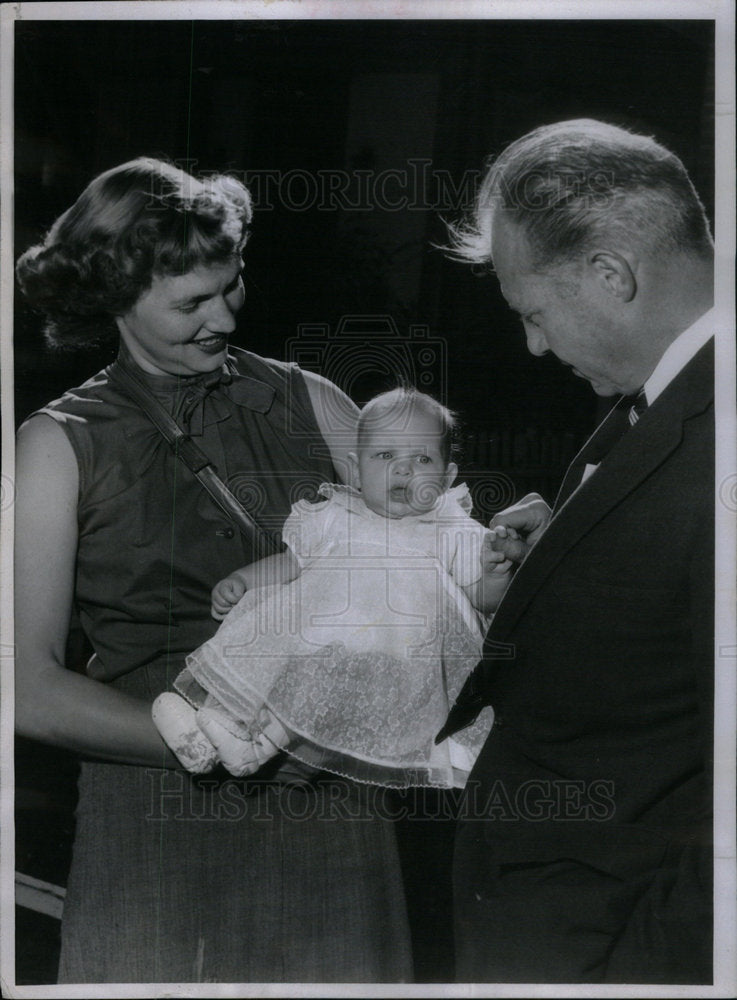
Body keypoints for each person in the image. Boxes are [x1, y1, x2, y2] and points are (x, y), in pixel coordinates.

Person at [14, 157, 414, 983]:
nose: (225, 317)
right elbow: (25, 684)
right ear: (114, 298)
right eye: (191, 303)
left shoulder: (315, 402)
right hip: (155, 809)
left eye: (231, 286)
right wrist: (220, 742)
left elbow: (427, 579)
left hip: (329, 801)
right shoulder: (55, 445)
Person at [438, 119, 715, 983]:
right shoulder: (661, 401)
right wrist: (560, 558)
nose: (531, 344)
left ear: (610, 275)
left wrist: (637, 970)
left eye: (533, 313)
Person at [152, 388, 508, 789]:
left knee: (311, 702)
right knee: (274, 653)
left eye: (422, 459)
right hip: (319, 635)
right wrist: (245, 579)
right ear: (356, 471)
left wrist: (494, 575)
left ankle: (250, 749)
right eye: (386, 456)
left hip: (393, 661)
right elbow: (292, 563)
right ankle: (211, 728)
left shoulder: (450, 527)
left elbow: (480, 598)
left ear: (446, 477)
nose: (404, 470)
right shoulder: (335, 516)